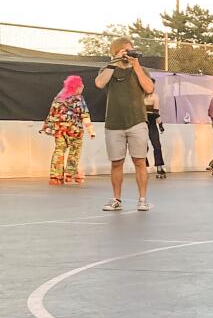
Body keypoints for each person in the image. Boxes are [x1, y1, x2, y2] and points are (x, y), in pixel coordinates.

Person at [95, 37, 155, 211]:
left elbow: (149, 88)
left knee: (140, 161)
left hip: (137, 121)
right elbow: (99, 83)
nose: (128, 54)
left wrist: (135, 66)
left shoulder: (140, 70)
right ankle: (116, 199)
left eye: (131, 50)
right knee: (116, 162)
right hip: (114, 123)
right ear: (116, 52)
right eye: (125, 51)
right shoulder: (108, 70)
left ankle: (142, 199)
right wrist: (114, 62)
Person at [40, 74, 95, 185]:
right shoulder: (78, 98)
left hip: (59, 129)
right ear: (76, 87)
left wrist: (49, 127)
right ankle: (70, 173)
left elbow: (52, 114)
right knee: (75, 149)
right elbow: (84, 115)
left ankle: (55, 177)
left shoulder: (59, 97)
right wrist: (91, 130)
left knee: (59, 150)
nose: (83, 87)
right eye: (81, 85)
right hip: (74, 130)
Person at [144, 90, 166, 179]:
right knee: (145, 146)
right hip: (143, 123)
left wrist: (160, 124)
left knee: (156, 145)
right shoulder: (140, 95)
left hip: (148, 123)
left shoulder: (154, 96)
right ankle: (144, 168)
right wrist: (160, 124)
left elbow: (156, 113)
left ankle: (159, 167)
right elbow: (156, 113)